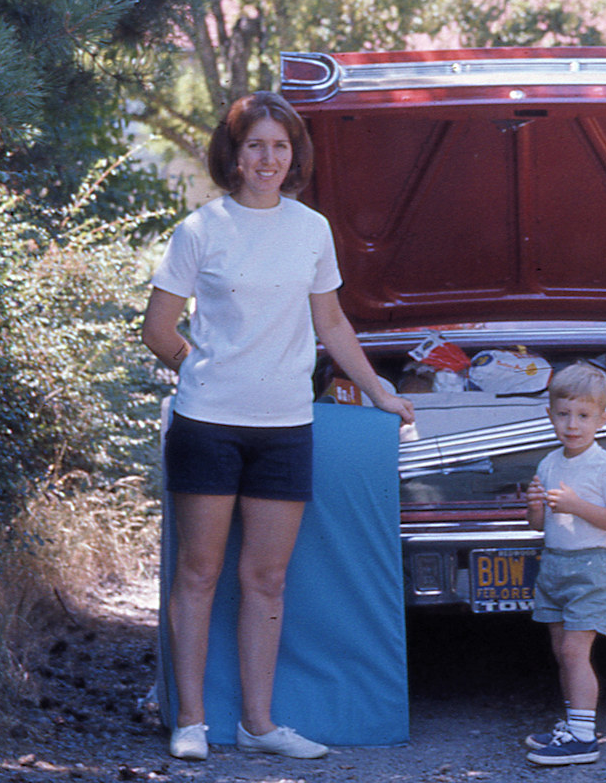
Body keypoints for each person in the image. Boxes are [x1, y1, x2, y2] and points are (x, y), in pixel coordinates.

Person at [141, 91, 415, 762]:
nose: (268, 158)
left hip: (286, 429)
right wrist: (199, 368)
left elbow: (332, 324)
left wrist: (378, 390)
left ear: (294, 156)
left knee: (267, 578)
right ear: (232, 155)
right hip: (207, 424)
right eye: (255, 145)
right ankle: (193, 723)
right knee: (200, 575)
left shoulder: (311, 230)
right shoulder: (200, 230)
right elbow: (157, 328)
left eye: (280, 146)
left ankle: (260, 725)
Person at [521, 362, 606, 767]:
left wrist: (576, 505)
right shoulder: (550, 462)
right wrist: (535, 507)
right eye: (564, 414)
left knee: (574, 651)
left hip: (593, 568)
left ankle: (584, 738)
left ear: (602, 419)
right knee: (561, 651)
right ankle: (572, 724)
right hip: (554, 566)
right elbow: (540, 526)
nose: (573, 424)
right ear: (550, 414)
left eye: (584, 416)